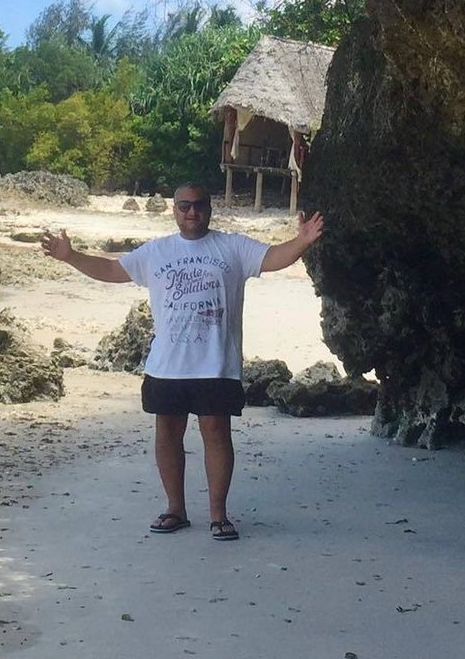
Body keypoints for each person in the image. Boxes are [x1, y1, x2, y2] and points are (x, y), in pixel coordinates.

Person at [41, 183, 324, 541]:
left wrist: (302, 241)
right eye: (184, 206)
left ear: (210, 208)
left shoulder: (232, 247)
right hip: (167, 366)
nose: (192, 212)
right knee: (167, 436)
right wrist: (71, 256)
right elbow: (112, 271)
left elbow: (273, 258)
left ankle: (218, 515)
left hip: (216, 364)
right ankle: (175, 508)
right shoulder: (156, 251)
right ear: (174, 210)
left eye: (199, 205)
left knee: (217, 435)